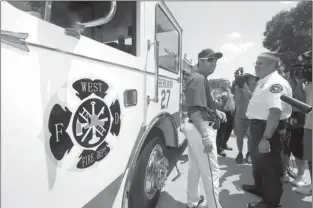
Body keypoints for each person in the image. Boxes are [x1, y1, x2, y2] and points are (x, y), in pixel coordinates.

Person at [242, 52, 292, 208]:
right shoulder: (263, 81)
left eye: (260, 63)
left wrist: (266, 138)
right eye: (255, 62)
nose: (256, 66)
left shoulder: (275, 83)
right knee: (259, 163)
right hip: (259, 126)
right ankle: (260, 189)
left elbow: (275, 112)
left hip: (269, 129)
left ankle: (271, 202)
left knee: (271, 168)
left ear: (272, 65)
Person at [183, 48, 227, 208]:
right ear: (201, 60)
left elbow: (205, 103)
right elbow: (194, 109)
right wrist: (205, 136)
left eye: (216, 60)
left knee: (194, 169)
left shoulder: (199, 77)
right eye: (210, 60)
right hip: (200, 127)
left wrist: (217, 111)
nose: (214, 63)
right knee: (211, 172)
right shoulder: (199, 78)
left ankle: (192, 201)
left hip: (194, 126)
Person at [233, 73, 259, 164]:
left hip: (251, 117)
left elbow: (254, 100)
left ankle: (249, 153)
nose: (254, 79)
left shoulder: (258, 88)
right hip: (239, 116)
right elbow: (237, 101)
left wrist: (247, 92)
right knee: (239, 137)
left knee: (250, 137)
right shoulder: (239, 88)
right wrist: (238, 88)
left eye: (254, 78)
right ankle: (240, 153)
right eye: (251, 78)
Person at [295, 77, 312, 195]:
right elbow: (300, 96)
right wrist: (300, 81)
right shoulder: (309, 85)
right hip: (309, 123)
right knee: (310, 159)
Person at [216, 86, 236, 157]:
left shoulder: (233, 94)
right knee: (222, 131)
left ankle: (224, 144)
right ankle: (219, 148)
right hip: (224, 113)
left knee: (228, 131)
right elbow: (219, 102)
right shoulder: (223, 94)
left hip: (231, 113)